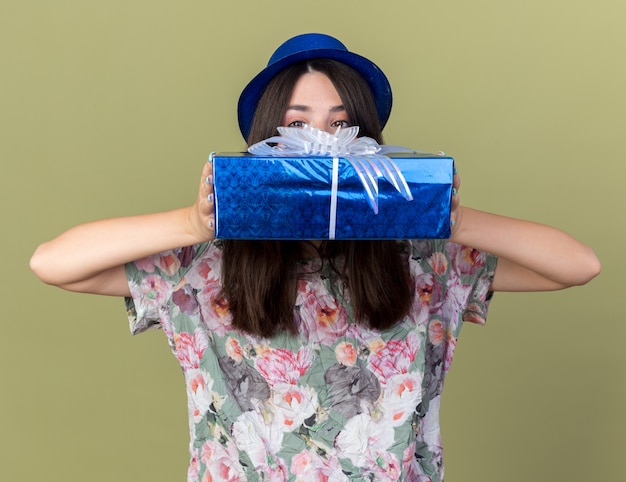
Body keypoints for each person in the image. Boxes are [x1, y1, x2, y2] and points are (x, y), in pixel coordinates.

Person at [30, 33, 600, 481]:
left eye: (339, 125)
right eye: (298, 125)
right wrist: (194, 221)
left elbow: (578, 266)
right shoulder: (203, 266)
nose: (321, 143)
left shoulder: (425, 262)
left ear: (368, 144)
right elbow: (52, 263)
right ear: (266, 143)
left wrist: (450, 218)